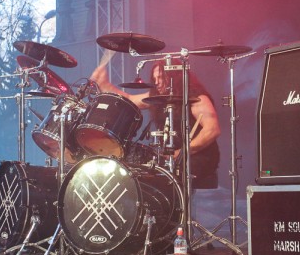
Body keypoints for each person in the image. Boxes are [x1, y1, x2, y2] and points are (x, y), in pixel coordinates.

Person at [90, 57, 221, 182]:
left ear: (174, 78)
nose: (156, 82)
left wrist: (181, 153)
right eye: (154, 78)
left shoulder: (196, 98)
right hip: (172, 156)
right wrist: (103, 84)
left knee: (163, 176)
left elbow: (212, 130)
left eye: (161, 78)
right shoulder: (158, 96)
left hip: (198, 156)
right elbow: (129, 99)